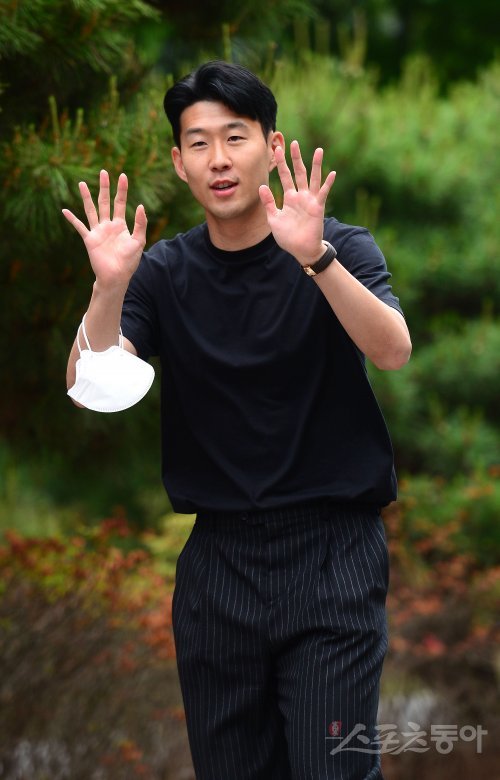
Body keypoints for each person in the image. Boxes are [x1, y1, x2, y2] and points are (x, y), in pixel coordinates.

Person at [63, 60, 411, 780]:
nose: (218, 159)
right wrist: (108, 289)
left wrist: (316, 259)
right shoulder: (162, 273)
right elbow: (91, 388)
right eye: (198, 143)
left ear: (271, 146)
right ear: (178, 163)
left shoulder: (339, 247)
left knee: (333, 769)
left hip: (333, 552)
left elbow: (392, 351)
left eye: (235, 137)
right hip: (219, 564)